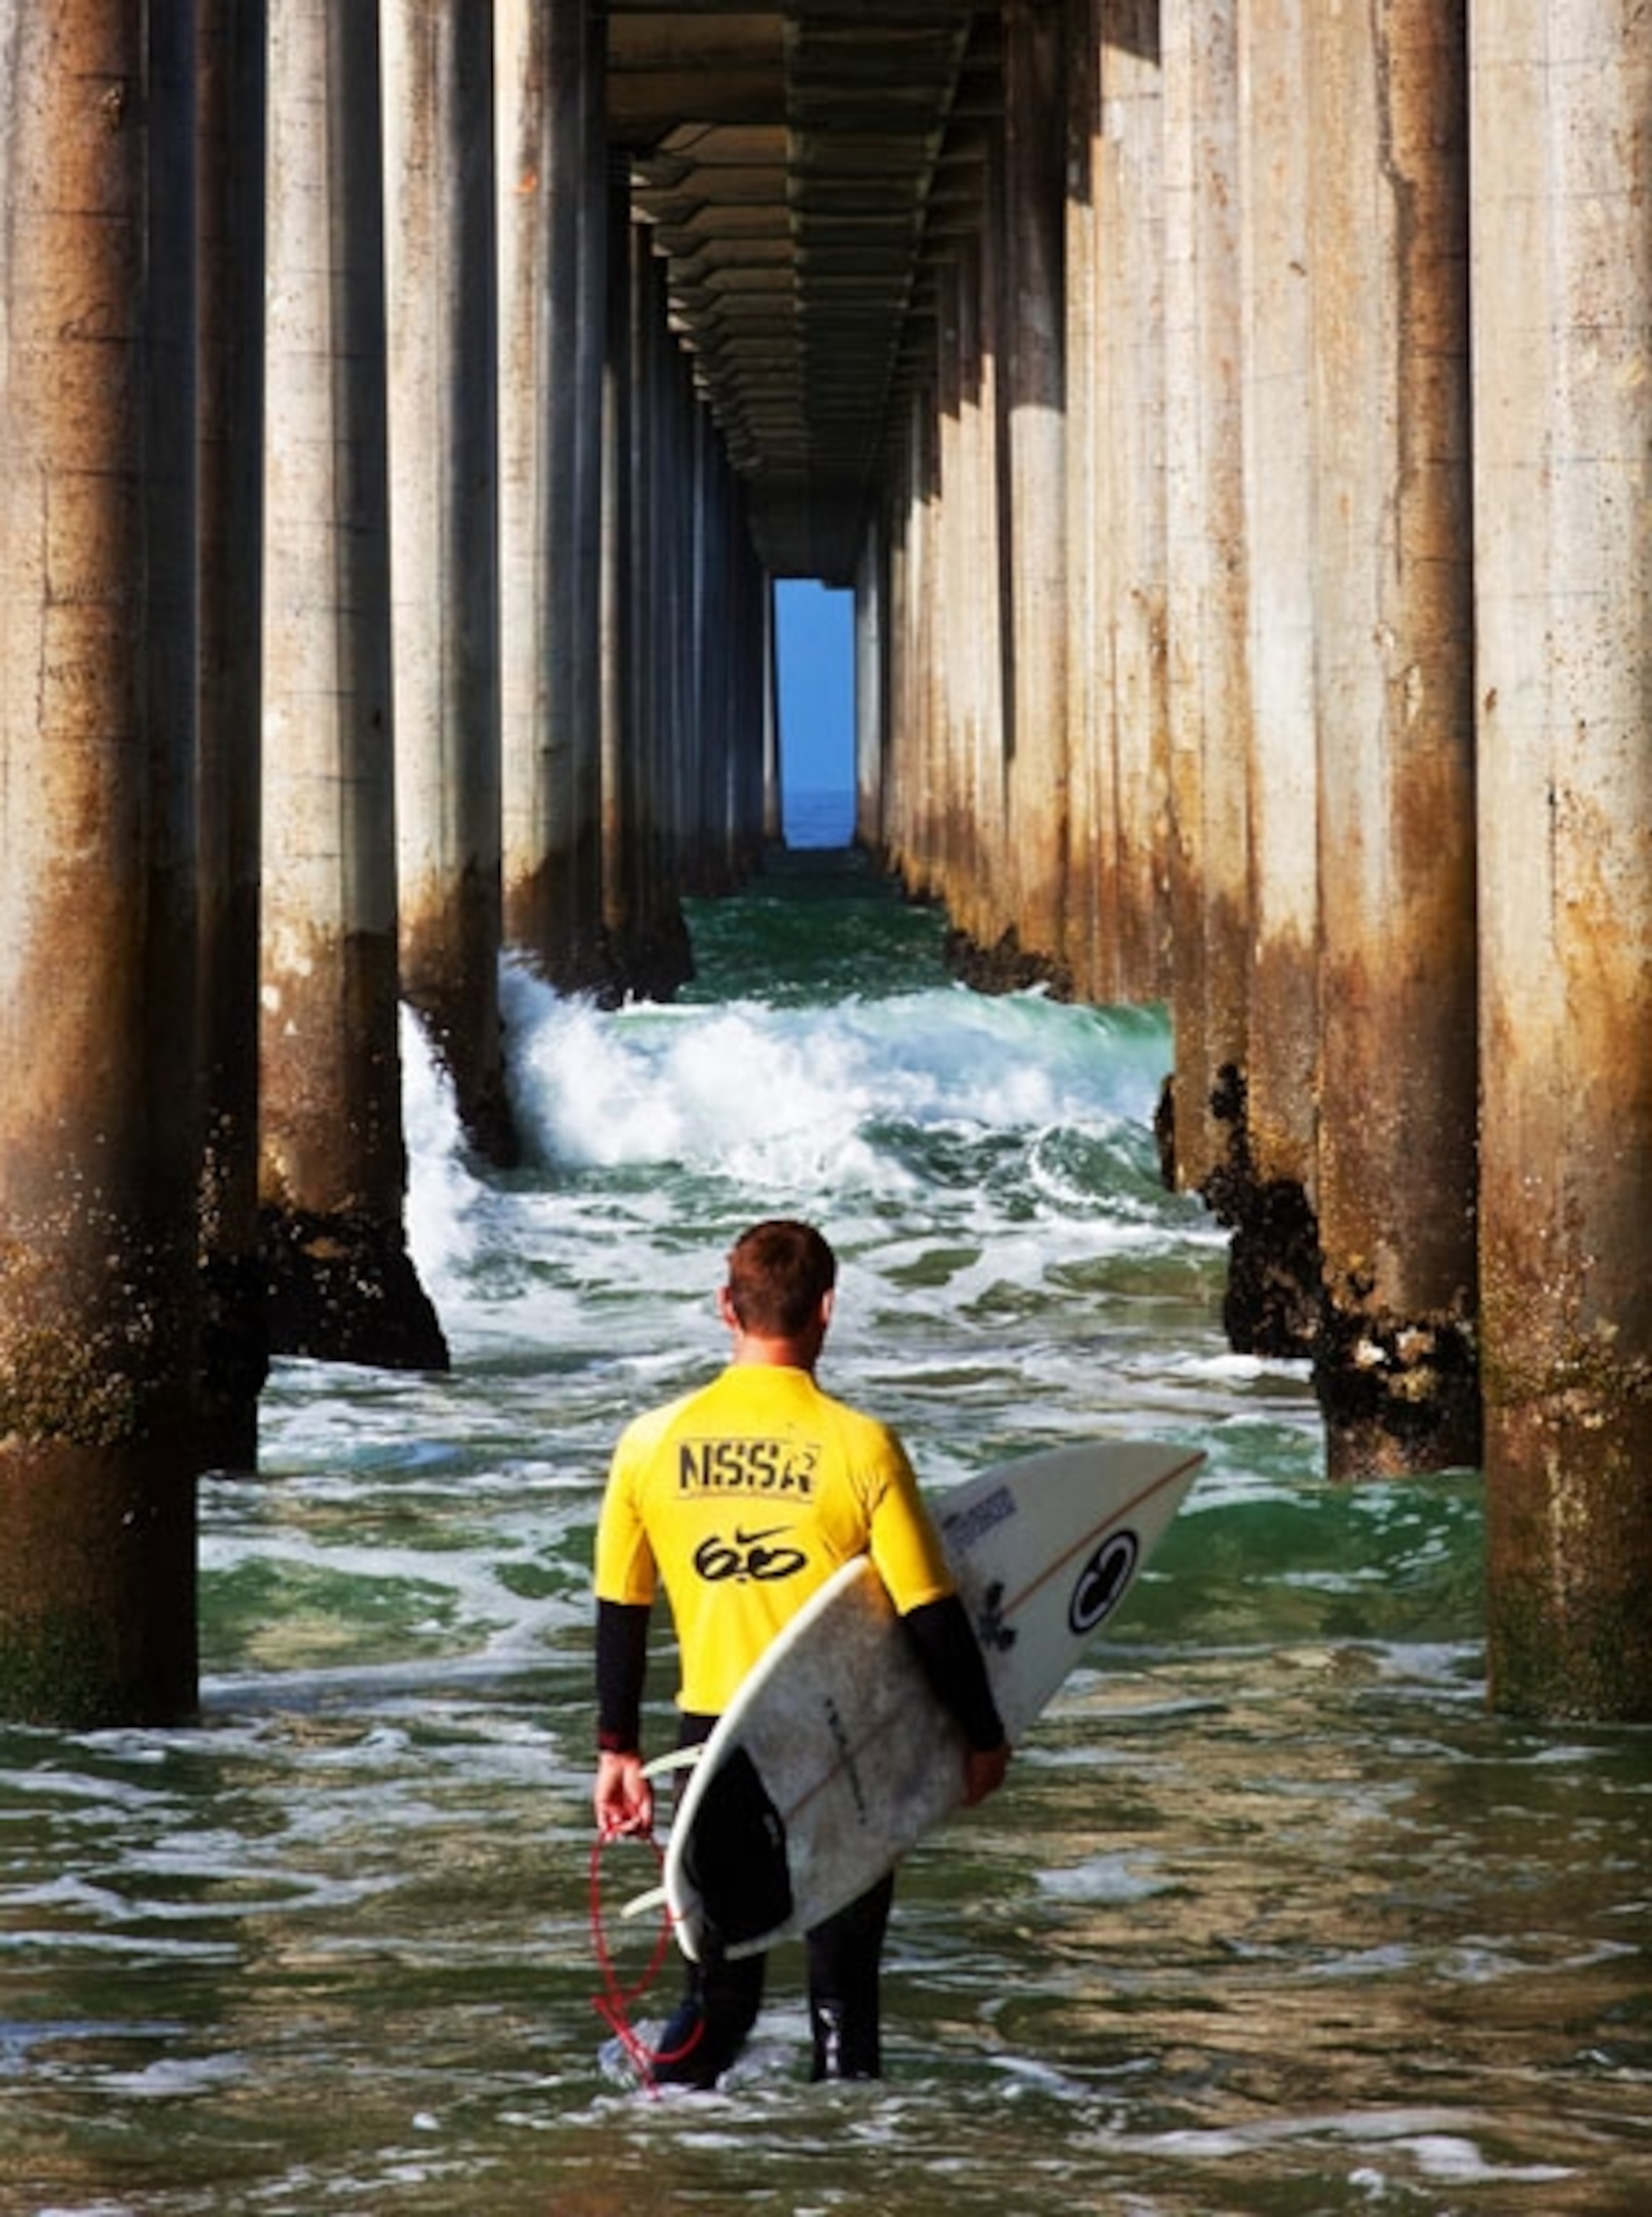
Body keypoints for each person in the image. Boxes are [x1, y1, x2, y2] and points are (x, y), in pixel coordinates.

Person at [592, 1217, 1010, 2087]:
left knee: (719, 1994)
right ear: (827, 1308)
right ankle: (839, 2168)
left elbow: (621, 1608)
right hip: (837, 1732)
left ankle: (657, 2137)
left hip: (713, 1746)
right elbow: (929, 1614)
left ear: (725, 1308)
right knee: (844, 1997)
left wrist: (618, 1750)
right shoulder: (862, 1446)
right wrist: (981, 1736)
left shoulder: (648, 1443)